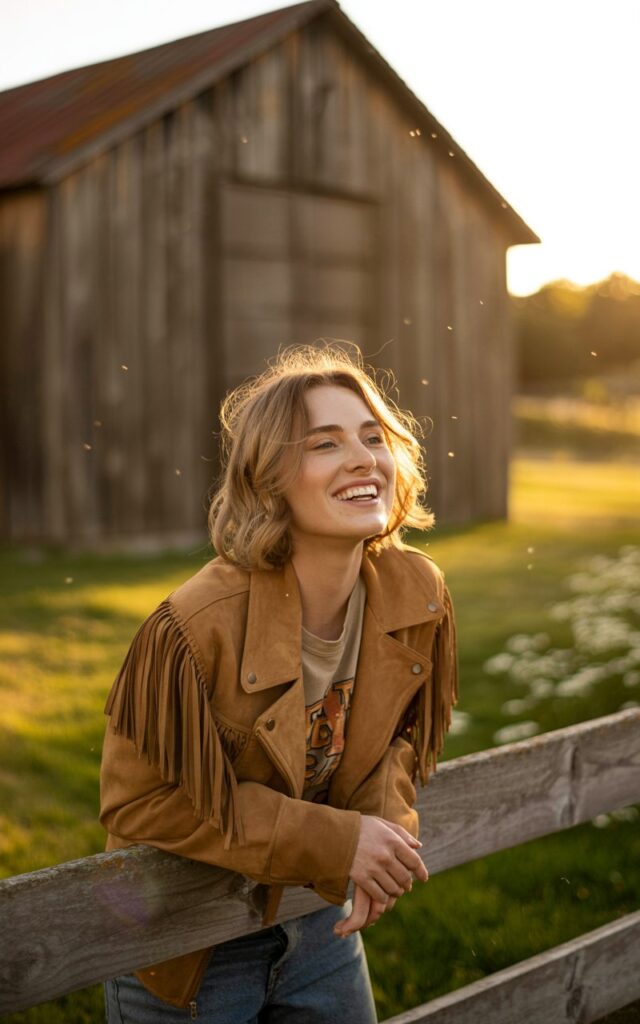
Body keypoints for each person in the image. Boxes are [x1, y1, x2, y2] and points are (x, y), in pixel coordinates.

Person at [100, 342, 458, 1023]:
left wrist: (381, 830)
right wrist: (338, 842)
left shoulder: (418, 594)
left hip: (316, 920)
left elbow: (399, 742)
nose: (362, 458)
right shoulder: (192, 626)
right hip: (189, 939)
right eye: (325, 445)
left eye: (372, 436)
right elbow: (139, 805)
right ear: (271, 481)